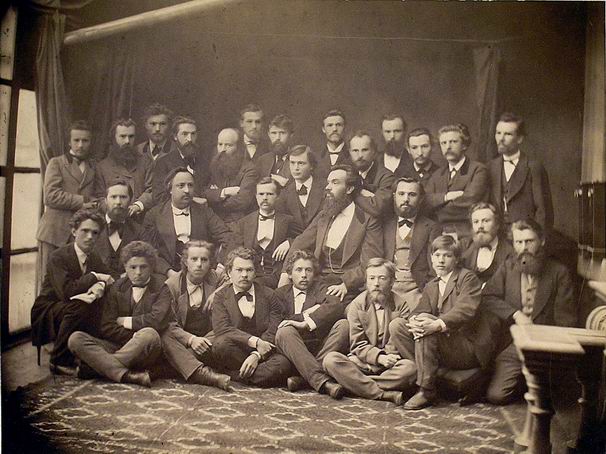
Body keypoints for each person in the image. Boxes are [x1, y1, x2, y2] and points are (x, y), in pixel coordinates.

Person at [390, 235, 497, 410]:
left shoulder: (467, 278)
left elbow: (465, 310)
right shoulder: (432, 285)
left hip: (466, 346)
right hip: (442, 344)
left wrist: (436, 324)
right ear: (431, 258)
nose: (441, 260)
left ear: (456, 259)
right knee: (397, 326)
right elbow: (418, 311)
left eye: (447, 256)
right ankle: (426, 374)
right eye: (437, 255)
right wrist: (415, 320)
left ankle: (427, 390)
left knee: (428, 329)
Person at [482, 219, 576, 405]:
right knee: (496, 396)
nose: (524, 247)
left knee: (553, 397)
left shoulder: (559, 272)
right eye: (519, 242)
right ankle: (523, 380)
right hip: (514, 343)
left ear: (541, 241)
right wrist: (516, 314)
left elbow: (566, 320)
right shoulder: (508, 267)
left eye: (529, 241)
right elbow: (487, 296)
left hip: (545, 345)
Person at [68, 241, 171, 387]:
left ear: (152, 267)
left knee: (149, 334)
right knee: (76, 338)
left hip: (145, 348)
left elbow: (156, 321)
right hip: (117, 345)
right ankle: (126, 375)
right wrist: (132, 337)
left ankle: (97, 368)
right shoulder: (117, 287)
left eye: (143, 267)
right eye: (133, 267)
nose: (138, 272)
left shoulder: (162, 287)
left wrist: (125, 322)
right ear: (125, 267)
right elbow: (107, 326)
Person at [280, 164, 383, 305]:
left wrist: (346, 284)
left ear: (349, 189)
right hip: (318, 281)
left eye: (335, 183)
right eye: (328, 182)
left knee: (331, 305)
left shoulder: (367, 219)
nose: (328, 187)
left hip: (346, 286)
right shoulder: (325, 215)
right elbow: (300, 242)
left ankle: (307, 316)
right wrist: (285, 274)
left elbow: (369, 263)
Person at [323, 259, 417, 405]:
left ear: (392, 282)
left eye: (382, 278)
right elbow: (357, 344)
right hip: (362, 362)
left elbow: (395, 344)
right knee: (330, 360)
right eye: (371, 278)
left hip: (388, 365)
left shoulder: (401, 305)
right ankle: (383, 394)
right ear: (366, 281)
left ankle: (351, 385)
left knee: (410, 369)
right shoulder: (357, 305)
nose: (376, 283)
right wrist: (377, 358)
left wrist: (383, 360)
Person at [31, 209, 114, 374]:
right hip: (49, 307)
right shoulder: (58, 256)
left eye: (95, 233)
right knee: (79, 306)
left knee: (102, 303)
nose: (90, 237)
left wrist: (100, 285)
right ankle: (58, 360)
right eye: (85, 231)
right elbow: (66, 292)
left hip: (73, 305)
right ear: (74, 231)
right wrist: (95, 276)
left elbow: (110, 277)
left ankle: (88, 353)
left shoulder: (93, 256)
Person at [211, 247, 293, 387]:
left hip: (264, 351)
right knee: (220, 345)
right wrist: (255, 342)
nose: (244, 275)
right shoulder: (220, 296)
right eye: (239, 270)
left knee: (283, 364)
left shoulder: (269, 295)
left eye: (249, 270)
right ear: (229, 272)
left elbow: (274, 329)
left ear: (255, 273)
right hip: (236, 349)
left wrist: (256, 355)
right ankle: (255, 375)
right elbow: (222, 328)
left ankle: (233, 375)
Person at [274, 250, 349, 399]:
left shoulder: (319, 288)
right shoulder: (279, 294)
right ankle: (322, 381)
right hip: (291, 348)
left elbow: (335, 305)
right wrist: (305, 315)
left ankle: (304, 379)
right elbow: (278, 323)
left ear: (314, 274)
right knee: (284, 331)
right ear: (289, 274)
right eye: (299, 270)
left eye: (308, 270)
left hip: (316, 345)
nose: (304, 275)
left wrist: (307, 323)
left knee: (343, 325)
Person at [161, 240, 232, 390]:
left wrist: (217, 293)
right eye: (194, 259)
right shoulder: (172, 285)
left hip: (209, 338)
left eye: (204, 260)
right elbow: (170, 324)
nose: (199, 264)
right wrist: (191, 340)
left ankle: (179, 364)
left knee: (225, 330)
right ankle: (203, 374)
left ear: (210, 263)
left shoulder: (216, 277)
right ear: (185, 262)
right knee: (164, 334)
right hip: (183, 339)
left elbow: (231, 282)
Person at [143, 167, 236, 277]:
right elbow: (149, 250)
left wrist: (220, 266)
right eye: (181, 186)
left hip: (202, 272)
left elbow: (229, 237)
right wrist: (168, 272)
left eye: (190, 185)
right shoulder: (154, 215)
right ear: (170, 189)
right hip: (167, 274)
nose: (187, 190)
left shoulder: (204, 212)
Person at [36, 121, 98, 284]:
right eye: (76, 140)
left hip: (77, 234)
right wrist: (82, 201)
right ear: (69, 142)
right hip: (54, 233)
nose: (80, 145)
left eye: (85, 140)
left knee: (72, 282)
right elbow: (50, 196)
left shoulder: (93, 166)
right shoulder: (56, 163)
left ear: (91, 142)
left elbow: (97, 196)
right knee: (48, 282)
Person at [488, 112, 553, 232]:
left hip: (524, 235)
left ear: (519, 139)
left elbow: (543, 211)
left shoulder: (533, 167)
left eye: (508, 134)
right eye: (498, 133)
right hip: (497, 235)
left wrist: (537, 239)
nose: (501, 139)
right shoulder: (490, 167)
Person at [425, 123, 489, 241]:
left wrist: (437, 208)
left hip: (467, 234)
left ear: (464, 145)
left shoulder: (478, 170)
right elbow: (426, 201)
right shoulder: (437, 174)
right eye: (443, 143)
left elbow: (471, 202)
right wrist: (446, 197)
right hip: (438, 235)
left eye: (453, 142)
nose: (448, 147)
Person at [383, 177, 441, 307]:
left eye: (412, 195)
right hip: (387, 287)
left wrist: (428, 293)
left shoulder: (431, 227)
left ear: (421, 199)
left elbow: (434, 267)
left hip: (416, 289)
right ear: (394, 197)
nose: (406, 199)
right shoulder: (384, 225)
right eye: (401, 194)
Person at [233, 178, 298, 288]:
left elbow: (304, 238)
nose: (265, 198)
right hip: (250, 279)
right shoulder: (244, 222)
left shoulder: (288, 221)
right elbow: (234, 252)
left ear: (277, 196)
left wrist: (289, 242)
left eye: (270, 194)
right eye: (261, 194)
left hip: (279, 279)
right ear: (256, 196)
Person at [94, 118, 153, 217]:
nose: (127, 141)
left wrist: (138, 205)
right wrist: (114, 210)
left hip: (140, 218)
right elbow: (99, 197)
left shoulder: (146, 162)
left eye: (131, 136)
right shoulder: (102, 167)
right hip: (112, 218)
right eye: (122, 136)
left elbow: (152, 189)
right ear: (114, 139)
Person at [203, 127, 259, 222]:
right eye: (220, 144)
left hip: (238, 222)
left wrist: (213, 199)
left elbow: (243, 201)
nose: (222, 149)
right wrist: (224, 192)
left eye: (228, 145)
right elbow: (202, 192)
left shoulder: (250, 169)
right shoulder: (213, 165)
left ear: (239, 148)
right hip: (213, 220)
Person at [152, 116, 209, 205]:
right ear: (175, 136)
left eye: (193, 134)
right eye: (185, 134)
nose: (189, 139)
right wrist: (192, 200)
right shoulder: (163, 163)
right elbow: (159, 197)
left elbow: (208, 189)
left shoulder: (203, 161)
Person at [95, 180, 143, 279]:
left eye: (123, 197)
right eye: (113, 197)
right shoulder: (93, 228)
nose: (118, 202)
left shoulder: (139, 231)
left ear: (130, 201)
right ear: (105, 200)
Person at [275, 145, 326, 235]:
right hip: (294, 242)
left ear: (311, 166)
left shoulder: (325, 188)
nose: (296, 168)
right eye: (292, 163)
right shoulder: (284, 194)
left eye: (301, 163)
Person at [461, 202, 513, 285]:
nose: (480, 226)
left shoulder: (509, 251)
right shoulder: (465, 248)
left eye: (485, 221)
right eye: (476, 222)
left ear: (497, 225)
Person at [349, 131, 395, 219]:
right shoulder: (348, 174)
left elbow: (378, 208)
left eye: (365, 150)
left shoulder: (387, 177)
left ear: (374, 152)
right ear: (349, 152)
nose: (360, 155)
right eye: (355, 150)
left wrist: (353, 193)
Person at [255, 114, 294, 188]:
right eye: (274, 133)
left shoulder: (298, 160)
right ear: (269, 134)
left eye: (282, 133)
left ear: (291, 135)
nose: (277, 138)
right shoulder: (263, 160)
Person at [316, 109, 350, 178]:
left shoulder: (353, 154)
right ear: (323, 129)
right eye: (330, 125)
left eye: (338, 125)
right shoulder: (316, 156)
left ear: (345, 128)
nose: (334, 129)